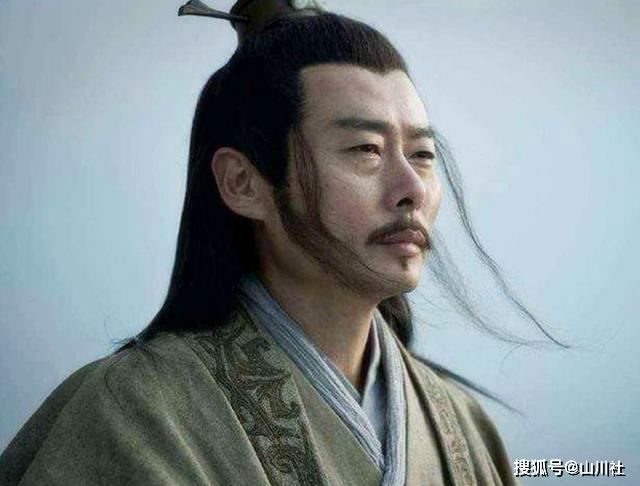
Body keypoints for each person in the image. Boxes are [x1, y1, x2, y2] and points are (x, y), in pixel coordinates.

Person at [0, 1, 539, 484]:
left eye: (422, 155)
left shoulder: (462, 426)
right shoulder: (134, 412)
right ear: (244, 183)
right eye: (365, 150)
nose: (411, 189)